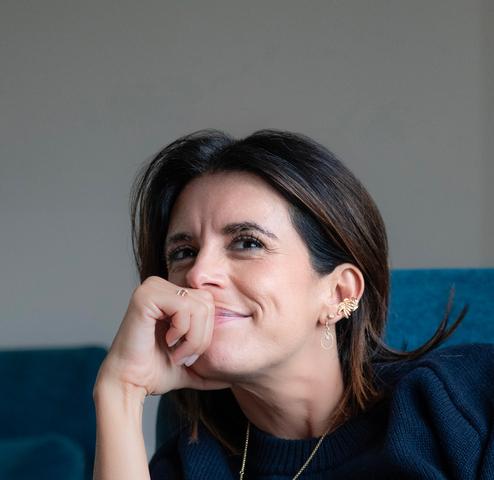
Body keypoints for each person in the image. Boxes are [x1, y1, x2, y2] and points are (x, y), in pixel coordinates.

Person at [92, 129, 494, 480]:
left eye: (247, 243)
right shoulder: (185, 466)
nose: (198, 274)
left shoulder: (464, 402)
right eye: (183, 252)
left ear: (339, 293)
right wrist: (121, 391)